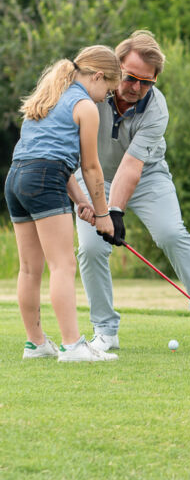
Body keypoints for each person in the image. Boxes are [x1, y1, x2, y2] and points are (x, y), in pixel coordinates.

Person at [74, 31, 190, 351]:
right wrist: (102, 208)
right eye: (131, 78)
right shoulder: (92, 90)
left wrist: (114, 212)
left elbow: (132, 166)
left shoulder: (156, 108)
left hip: (148, 175)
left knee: (171, 233)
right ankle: (105, 331)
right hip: (95, 176)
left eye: (146, 82)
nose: (136, 88)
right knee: (91, 249)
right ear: (117, 67)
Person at [5, 46, 122, 362]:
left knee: (30, 268)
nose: (104, 98)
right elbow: (91, 168)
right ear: (97, 76)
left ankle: (37, 343)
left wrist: (82, 201)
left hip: (16, 179)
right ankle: (72, 346)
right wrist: (103, 214)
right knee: (63, 264)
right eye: (107, 90)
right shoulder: (85, 106)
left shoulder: (51, 95)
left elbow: (50, 157)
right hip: (44, 179)